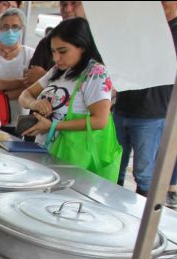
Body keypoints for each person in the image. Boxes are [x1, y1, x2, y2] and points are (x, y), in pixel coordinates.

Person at [19, 18, 116, 169]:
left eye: (62, 51)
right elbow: (25, 94)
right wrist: (34, 103)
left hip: (72, 158)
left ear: (82, 46)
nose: (56, 58)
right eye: (53, 51)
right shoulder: (57, 70)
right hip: (45, 150)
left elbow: (100, 120)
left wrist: (53, 126)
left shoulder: (95, 73)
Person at [115, 1, 177, 198]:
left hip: (151, 113)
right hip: (122, 107)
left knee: (144, 174)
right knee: (115, 167)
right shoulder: (139, 27)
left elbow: (154, 62)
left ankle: (143, 215)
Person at [27, 0, 86, 85]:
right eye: (64, 4)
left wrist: (45, 77)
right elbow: (30, 79)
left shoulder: (99, 43)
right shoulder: (46, 42)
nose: (68, 9)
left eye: (74, 3)